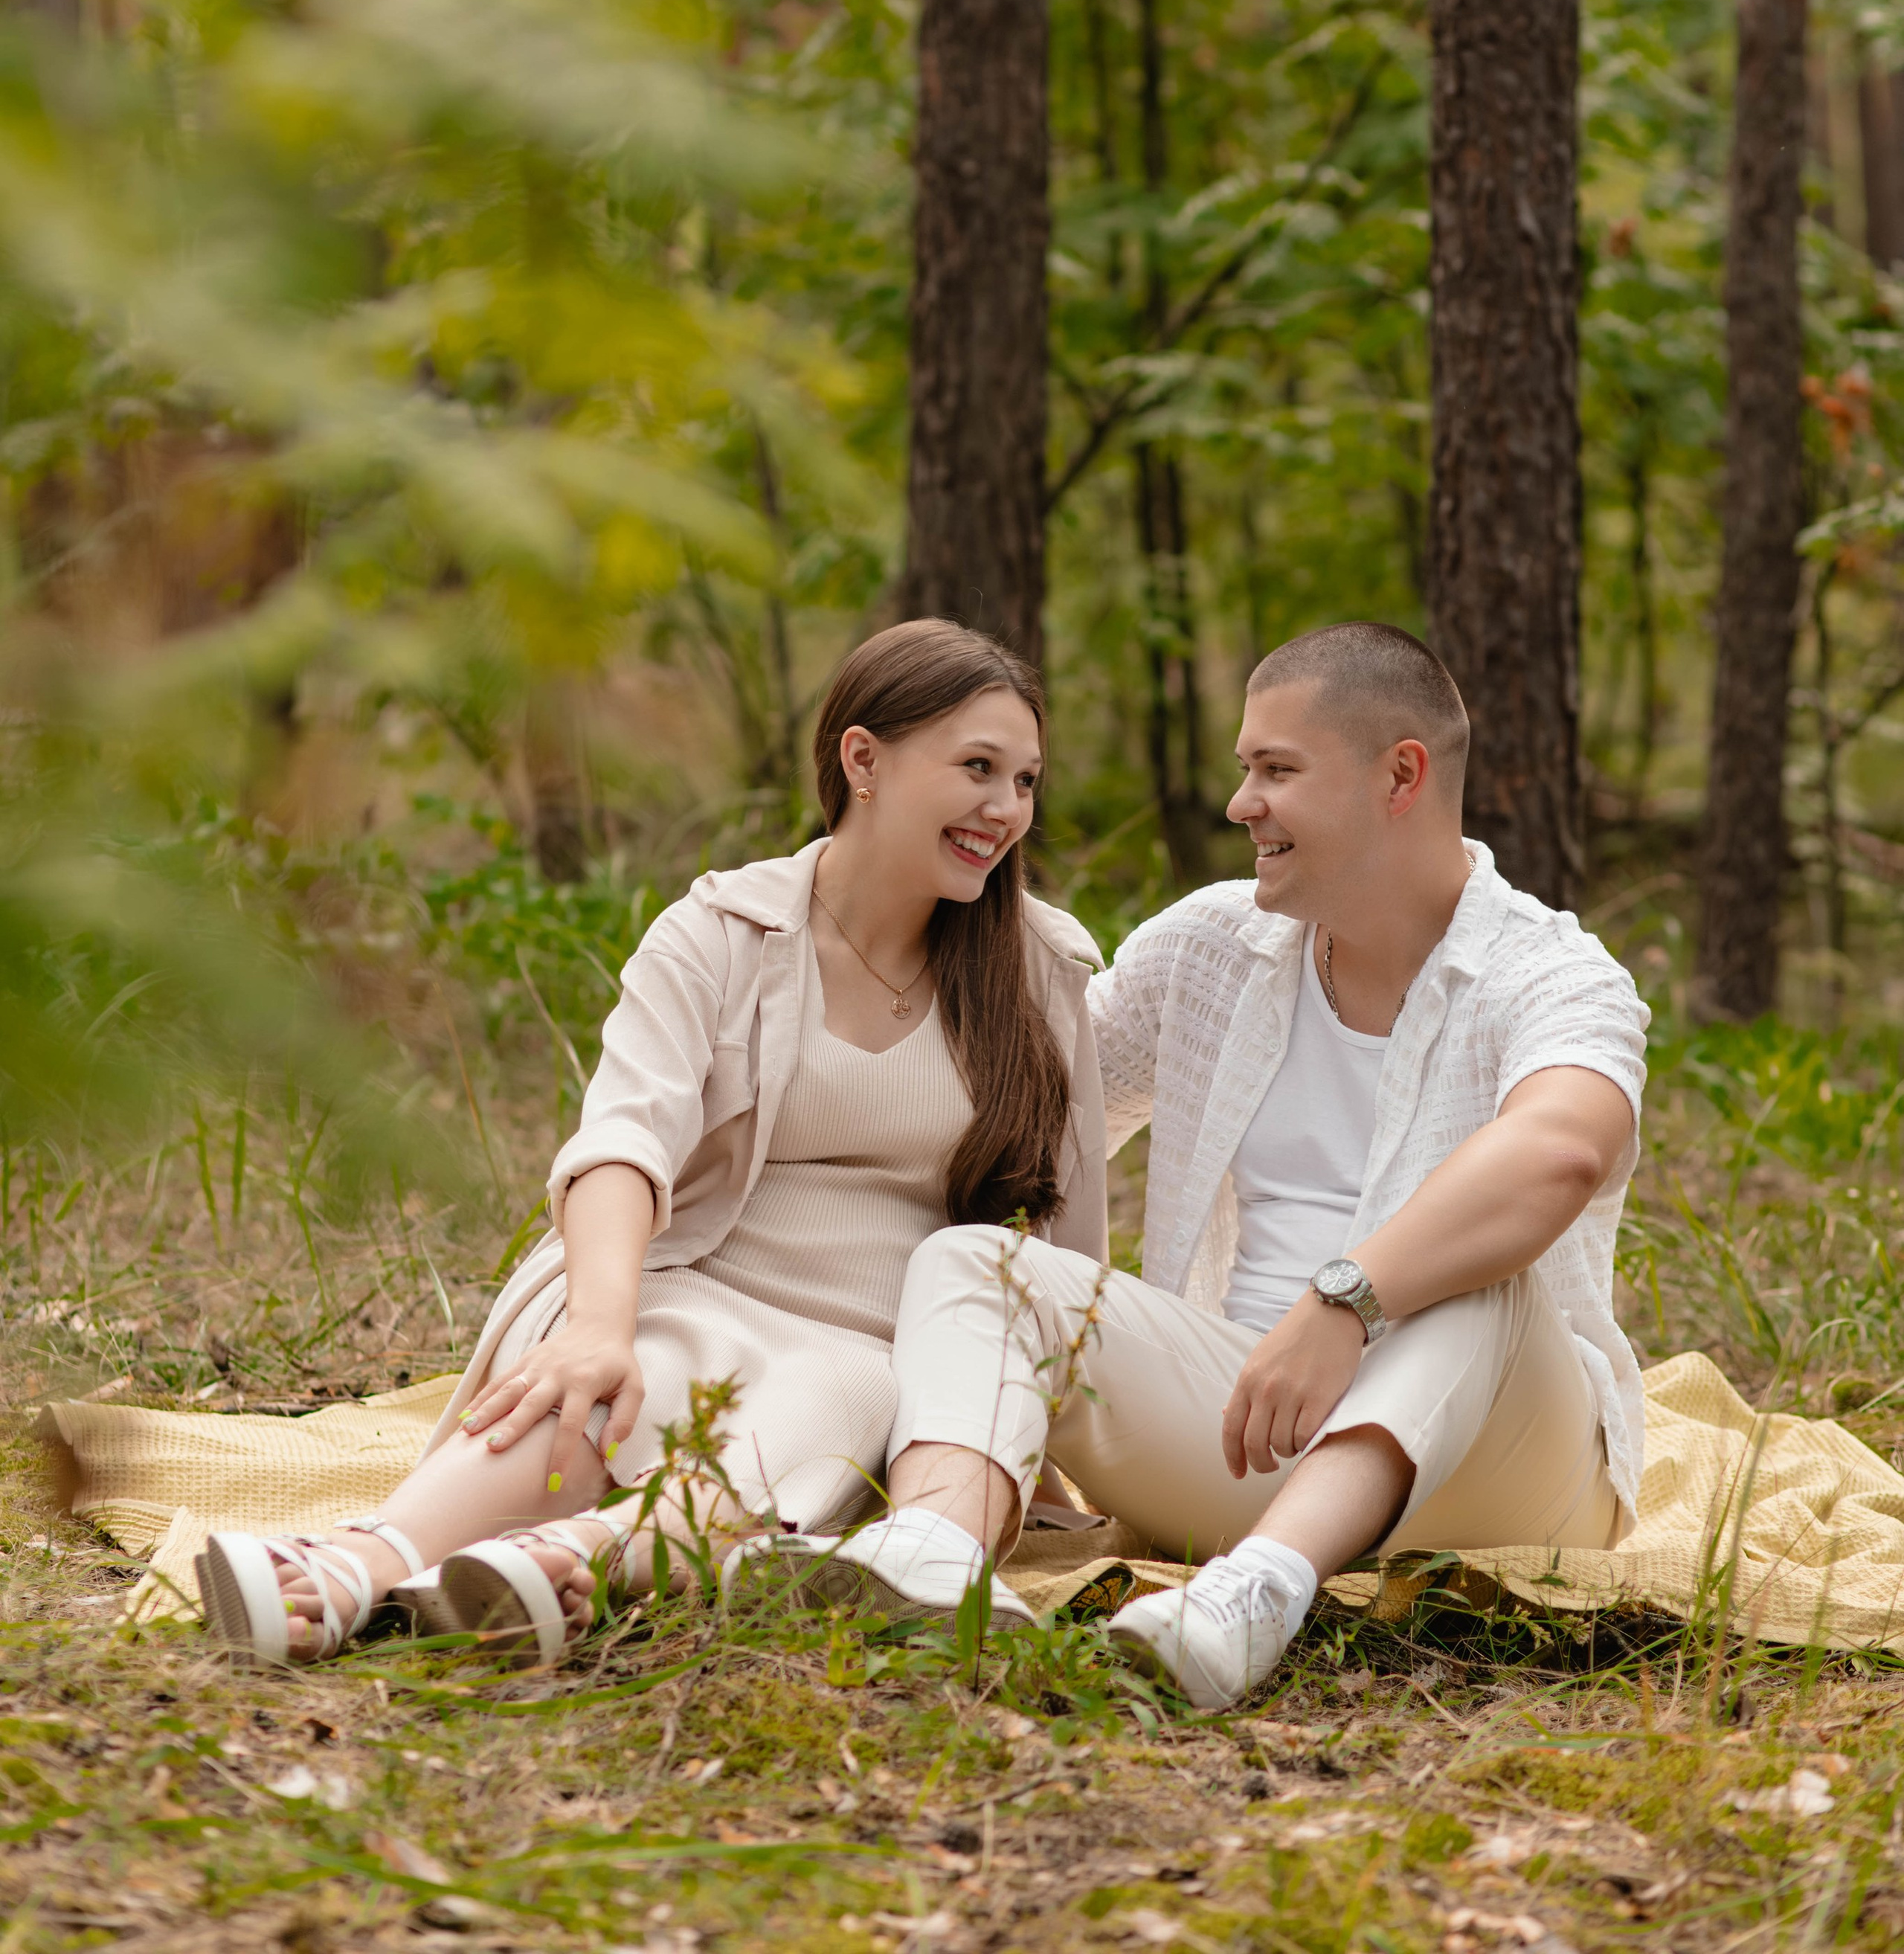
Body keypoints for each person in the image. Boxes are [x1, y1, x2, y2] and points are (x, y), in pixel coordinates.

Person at [730, 621, 1647, 1711]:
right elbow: (1023, 1109)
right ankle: (934, 1548)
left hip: (1508, 1472)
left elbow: (1560, 1153)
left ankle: (1255, 1597)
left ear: (1400, 775)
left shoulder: (1550, 972)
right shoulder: (1211, 948)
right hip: (1249, 1423)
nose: (1240, 804)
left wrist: (1346, 1300)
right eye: (1243, 770)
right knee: (978, 1265)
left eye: (1276, 770)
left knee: (1477, 1269)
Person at [196, 620, 1107, 1665]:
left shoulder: (1041, 968)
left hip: (881, 1341)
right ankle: (361, 1560)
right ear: (864, 760)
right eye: (978, 769)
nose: (1007, 811)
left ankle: (557, 1562)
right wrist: (597, 1321)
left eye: (1026, 781)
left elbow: (1070, 1244)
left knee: (830, 1407)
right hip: (693, 1272)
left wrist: (1029, 1428)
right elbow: (622, 1139)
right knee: (613, 1374)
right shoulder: (718, 933)